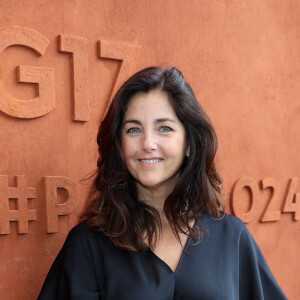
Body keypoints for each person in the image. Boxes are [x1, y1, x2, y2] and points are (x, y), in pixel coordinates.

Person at [38, 66, 287, 299]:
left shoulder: (232, 237)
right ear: (119, 145)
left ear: (189, 143)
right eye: (133, 130)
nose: (148, 143)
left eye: (164, 128)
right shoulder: (88, 245)